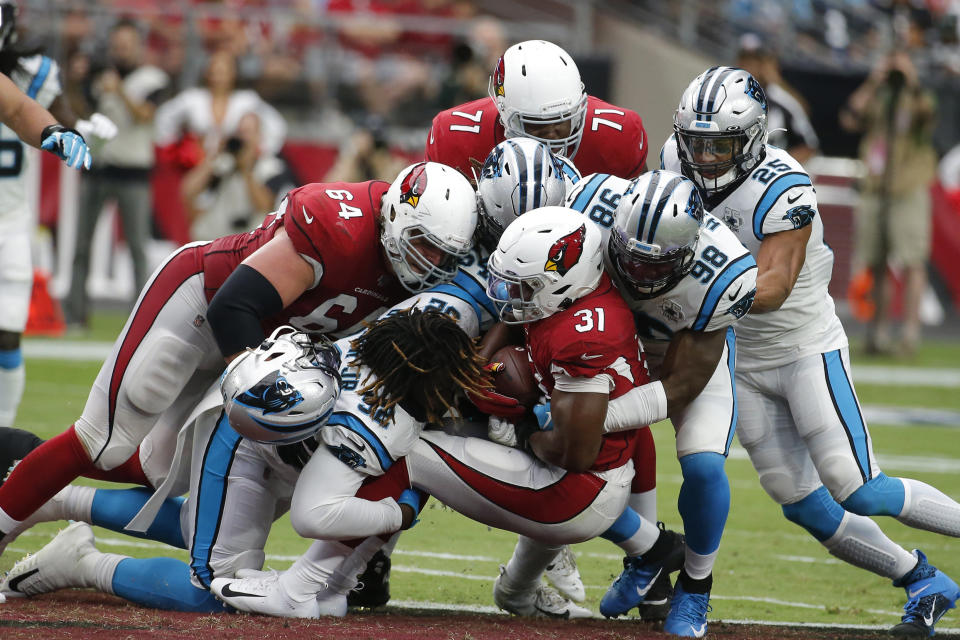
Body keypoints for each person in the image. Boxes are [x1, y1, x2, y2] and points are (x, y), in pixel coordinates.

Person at [209, 208, 678, 620]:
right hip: (589, 473)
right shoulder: (566, 297)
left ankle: (298, 590)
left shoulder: (583, 336)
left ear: (564, 282)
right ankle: (333, 588)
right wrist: (485, 374)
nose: (510, 294)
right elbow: (512, 321)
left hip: (575, 489)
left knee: (411, 453)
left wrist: (523, 432)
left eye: (523, 286)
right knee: (426, 436)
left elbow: (576, 452)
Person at [0, 161, 479, 549]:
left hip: (261, 340)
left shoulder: (421, 279)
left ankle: (17, 453)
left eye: (443, 256)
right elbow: (235, 304)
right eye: (421, 245)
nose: (429, 264)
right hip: (202, 302)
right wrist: (260, 388)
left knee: (154, 469)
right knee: (103, 438)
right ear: (395, 216)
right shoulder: (340, 225)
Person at [665, 65, 960, 638]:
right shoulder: (675, 165)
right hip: (739, 359)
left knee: (861, 488)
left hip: (803, 347)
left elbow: (772, 287)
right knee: (800, 503)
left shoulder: (784, 183)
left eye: (718, 144)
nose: (702, 158)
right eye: (695, 142)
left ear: (751, 138)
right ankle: (923, 580)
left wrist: (696, 294)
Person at [562, 170, 757, 636]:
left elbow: (679, 389)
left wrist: (600, 417)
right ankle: (647, 552)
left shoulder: (723, 274)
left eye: (657, 265)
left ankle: (696, 585)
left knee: (704, 465)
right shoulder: (586, 205)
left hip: (679, 357)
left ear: (689, 251)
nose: (638, 273)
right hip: (605, 344)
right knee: (559, 447)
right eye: (631, 257)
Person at [0, 0, 104, 429]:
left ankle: (2, 431)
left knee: (7, 333)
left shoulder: (31, 74)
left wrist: (56, 131)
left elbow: (19, 109)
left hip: (8, 219)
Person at [63, 18, 169, 330]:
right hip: (99, 167)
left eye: (126, 44)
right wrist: (74, 82)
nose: (120, 50)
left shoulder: (154, 78)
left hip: (134, 171)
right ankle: (75, 315)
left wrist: (119, 89)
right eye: (117, 45)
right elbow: (83, 113)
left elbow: (144, 115)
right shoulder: (100, 77)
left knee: (137, 248)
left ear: (138, 45)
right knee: (81, 245)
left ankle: (139, 323)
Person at [425, 39, 649, 181]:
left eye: (562, 121)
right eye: (537, 125)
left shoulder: (617, 135)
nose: (552, 135)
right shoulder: (455, 136)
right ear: (503, 113)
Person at [839, 50, 937, 358]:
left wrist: (911, 81)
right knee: (876, 262)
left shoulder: (919, 97)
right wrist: (872, 82)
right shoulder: (877, 96)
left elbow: (928, 116)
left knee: (912, 261)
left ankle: (909, 334)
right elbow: (849, 119)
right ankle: (878, 334)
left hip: (908, 186)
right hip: (875, 187)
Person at [181, 111, 296, 240]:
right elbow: (188, 191)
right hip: (215, 240)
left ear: (259, 137)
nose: (243, 138)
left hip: (249, 245)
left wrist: (246, 169)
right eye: (240, 132)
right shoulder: (223, 164)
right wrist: (214, 156)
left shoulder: (271, 167)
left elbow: (265, 205)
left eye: (248, 132)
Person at [735, 34, 819, 165]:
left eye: (755, 62)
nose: (748, 67)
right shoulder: (726, 97)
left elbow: (808, 146)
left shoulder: (783, 101)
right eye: (744, 61)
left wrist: (777, 168)